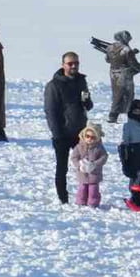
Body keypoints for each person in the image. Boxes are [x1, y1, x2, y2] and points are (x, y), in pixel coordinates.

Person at [44, 51, 94, 204]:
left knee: (86, 166)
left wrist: (86, 102)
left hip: (80, 133)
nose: (74, 66)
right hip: (62, 134)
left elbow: (88, 105)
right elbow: (50, 111)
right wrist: (57, 133)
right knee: (62, 167)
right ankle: (62, 197)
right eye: (70, 63)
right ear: (63, 65)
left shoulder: (81, 81)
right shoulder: (54, 85)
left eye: (76, 63)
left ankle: (86, 195)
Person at [92, 30, 140, 124]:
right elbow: (133, 63)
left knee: (117, 95)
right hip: (125, 75)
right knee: (128, 95)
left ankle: (113, 116)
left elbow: (108, 59)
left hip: (113, 74)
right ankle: (125, 115)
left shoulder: (110, 47)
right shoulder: (127, 49)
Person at [69, 123, 108, 208]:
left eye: (92, 137)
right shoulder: (79, 146)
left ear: (97, 138)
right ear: (84, 135)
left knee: (93, 189)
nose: (89, 139)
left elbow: (104, 157)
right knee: (82, 188)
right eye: (87, 136)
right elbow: (74, 157)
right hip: (82, 173)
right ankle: (80, 202)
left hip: (94, 173)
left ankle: (93, 203)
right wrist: (79, 164)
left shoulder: (99, 147)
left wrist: (95, 164)